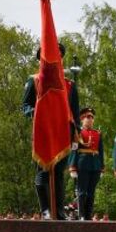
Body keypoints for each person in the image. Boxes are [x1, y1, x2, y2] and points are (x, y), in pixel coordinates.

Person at [22, 43, 80, 219]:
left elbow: (75, 112)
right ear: (42, 59)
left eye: (58, 55)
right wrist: (36, 113)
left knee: (59, 175)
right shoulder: (35, 80)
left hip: (63, 133)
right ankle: (46, 210)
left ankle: (59, 211)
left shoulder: (69, 84)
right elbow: (25, 106)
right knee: (43, 171)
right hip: (43, 132)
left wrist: (75, 136)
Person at [69, 107, 104, 222]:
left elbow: (101, 151)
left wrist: (102, 167)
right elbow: (74, 149)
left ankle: (88, 215)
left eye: (92, 117)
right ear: (82, 119)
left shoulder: (97, 133)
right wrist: (72, 166)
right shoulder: (78, 132)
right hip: (82, 164)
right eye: (88, 117)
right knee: (82, 192)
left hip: (95, 165)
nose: (90, 120)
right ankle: (82, 215)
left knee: (91, 193)